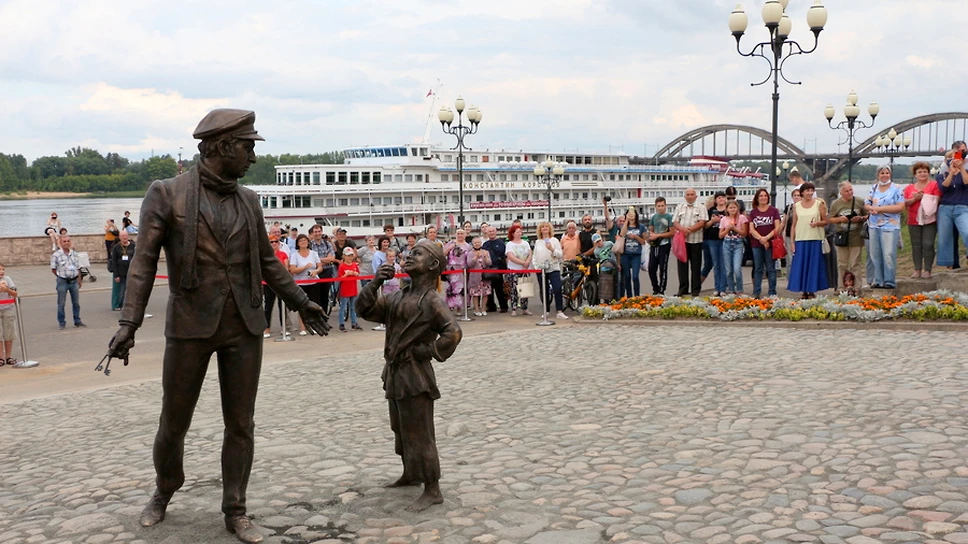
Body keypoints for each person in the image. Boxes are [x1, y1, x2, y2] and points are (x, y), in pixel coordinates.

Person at [105, 109, 328, 544]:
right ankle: (164, 489)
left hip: (243, 325)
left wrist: (302, 302)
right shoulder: (166, 194)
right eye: (248, 146)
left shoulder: (249, 200)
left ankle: (236, 509)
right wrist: (129, 322)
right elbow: (143, 264)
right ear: (224, 146)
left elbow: (267, 261)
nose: (253, 156)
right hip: (190, 325)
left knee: (241, 423)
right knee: (174, 421)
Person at [356, 240, 462, 512]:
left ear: (434, 265)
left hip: (415, 376)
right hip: (395, 373)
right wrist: (374, 284)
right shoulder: (399, 297)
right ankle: (410, 473)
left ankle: (432, 488)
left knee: (420, 433)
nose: (409, 256)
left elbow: (453, 332)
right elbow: (365, 310)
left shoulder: (432, 302)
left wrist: (427, 350)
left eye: (418, 254)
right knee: (400, 429)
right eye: (409, 253)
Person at [864, 165, 905, 289]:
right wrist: (870, 208)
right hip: (874, 225)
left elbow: (900, 206)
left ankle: (889, 281)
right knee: (875, 253)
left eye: (887, 173)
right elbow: (867, 203)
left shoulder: (897, 189)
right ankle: (878, 280)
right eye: (882, 173)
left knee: (888, 254)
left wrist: (880, 209)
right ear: (878, 175)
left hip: (890, 226)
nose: (885, 175)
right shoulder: (874, 187)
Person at [787, 182, 829, 299]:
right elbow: (794, 224)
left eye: (811, 190)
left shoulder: (819, 204)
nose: (810, 193)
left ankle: (812, 290)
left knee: (813, 265)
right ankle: (803, 290)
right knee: (801, 265)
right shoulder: (797, 206)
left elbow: (826, 221)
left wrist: (817, 223)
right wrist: (792, 241)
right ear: (802, 193)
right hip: (801, 238)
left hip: (815, 238)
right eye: (807, 191)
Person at [904, 162, 941, 279]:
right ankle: (917, 269)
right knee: (916, 245)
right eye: (920, 172)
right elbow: (905, 203)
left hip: (929, 219)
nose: (923, 174)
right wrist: (915, 198)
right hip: (913, 220)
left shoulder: (934, 185)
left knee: (928, 244)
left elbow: (938, 200)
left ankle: (928, 270)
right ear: (915, 174)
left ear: (928, 173)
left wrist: (924, 197)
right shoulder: (909, 188)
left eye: (925, 171)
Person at [828, 181, 869, 289]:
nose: (850, 192)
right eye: (847, 191)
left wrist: (860, 218)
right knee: (842, 263)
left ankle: (857, 287)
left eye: (851, 190)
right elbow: (830, 219)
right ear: (841, 193)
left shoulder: (859, 201)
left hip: (856, 237)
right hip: (842, 237)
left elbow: (867, 215)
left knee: (855, 263)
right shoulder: (836, 204)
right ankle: (841, 287)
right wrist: (840, 219)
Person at [936, 140, 968, 269]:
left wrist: (960, 169)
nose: (962, 153)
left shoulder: (965, 169)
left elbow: (967, 183)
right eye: (959, 151)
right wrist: (951, 171)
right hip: (945, 208)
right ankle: (949, 264)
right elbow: (943, 188)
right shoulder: (943, 171)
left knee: (966, 232)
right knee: (945, 238)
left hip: (962, 206)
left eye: (964, 150)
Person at [672, 188, 709, 297]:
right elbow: (675, 221)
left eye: (692, 194)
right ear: (685, 196)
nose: (690, 196)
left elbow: (702, 222)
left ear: (696, 196)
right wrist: (683, 229)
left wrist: (690, 230)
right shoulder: (680, 207)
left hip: (696, 240)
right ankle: (682, 289)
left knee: (695, 266)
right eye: (687, 194)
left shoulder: (701, 207)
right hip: (682, 241)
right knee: (682, 266)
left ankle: (695, 290)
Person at [747, 189, 781, 298]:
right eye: (761, 196)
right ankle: (756, 291)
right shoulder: (753, 212)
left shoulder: (774, 211)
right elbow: (751, 229)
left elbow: (777, 228)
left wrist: (766, 238)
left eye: (765, 196)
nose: (763, 198)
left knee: (771, 268)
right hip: (756, 244)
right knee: (758, 268)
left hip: (771, 244)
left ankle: (772, 292)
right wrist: (761, 239)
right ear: (757, 198)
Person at [289, 234, 323, 336]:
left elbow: (320, 267)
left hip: (313, 282)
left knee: (314, 304)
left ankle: (315, 326)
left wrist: (316, 271)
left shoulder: (313, 253)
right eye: (301, 241)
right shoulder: (294, 255)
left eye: (305, 240)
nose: (303, 242)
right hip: (300, 283)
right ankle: (303, 327)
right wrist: (304, 267)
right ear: (297, 243)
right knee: (302, 306)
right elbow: (293, 269)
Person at [533, 222, 567, 319]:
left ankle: (559, 310)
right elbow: (535, 255)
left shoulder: (554, 240)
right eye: (542, 227)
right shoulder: (537, 242)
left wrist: (552, 249)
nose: (544, 228)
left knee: (557, 288)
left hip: (553, 267)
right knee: (544, 290)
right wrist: (536, 266)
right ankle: (546, 310)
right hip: (541, 268)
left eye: (546, 227)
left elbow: (560, 254)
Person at [51, 235, 85, 329]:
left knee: (76, 303)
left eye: (68, 241)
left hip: (74, 281)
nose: (66, 243)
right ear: (61, 243)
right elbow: (53, 269)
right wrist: (60, 276)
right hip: (62, 281)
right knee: (61, 303)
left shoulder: (74, 254)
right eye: (64, 241)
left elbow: (78, 268)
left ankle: (77, 321)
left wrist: (79, 280)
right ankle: (62, 323)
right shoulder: (56, 255)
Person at [719, 200, 749, 295]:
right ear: (727, 209)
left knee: (737, 269)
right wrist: (728, 228)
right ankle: (731, 290)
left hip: (738, 243)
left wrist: (735, 228)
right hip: (727, 243)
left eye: (734, 207)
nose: (732, 209)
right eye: (730, 208)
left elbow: (744, 233)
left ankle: (739, 289)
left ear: (737, 208)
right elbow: (720, 235)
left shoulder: (742, 218)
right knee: (728, 270)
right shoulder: (724, 219)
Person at [262, 235, 290, 338]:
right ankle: (266, 329)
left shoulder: (283, 254)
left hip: (280, 283)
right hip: (268, 283)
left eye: (275, 242)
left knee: (282, 306)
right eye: (271, 242)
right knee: (268, 306)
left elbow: (286, 268)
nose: (274, 244)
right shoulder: (265, 256)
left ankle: (284, 328)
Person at [647, 197, 674, 296]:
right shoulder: (654, 217)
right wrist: (651, 237)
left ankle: (662, 290)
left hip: (665, 245)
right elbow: (651, 230)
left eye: (662, 206)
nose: (661, 208)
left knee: (663, 267)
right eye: (658, 206)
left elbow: (672, 232)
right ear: (655, 207)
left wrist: (658, 235)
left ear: (665, 206)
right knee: (651, 268)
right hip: (655, 245)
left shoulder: (669, 217)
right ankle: (655, 288)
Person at [702, 192, 727, 296]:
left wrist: (722, 221)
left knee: (723, 264)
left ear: (725, 199)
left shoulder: (728, 210)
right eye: (719, 198)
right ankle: (717, 287)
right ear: (715, 200)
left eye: (722, 197)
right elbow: (705, 226)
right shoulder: (710, 211)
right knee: (716, 264)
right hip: (712, 239)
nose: (721, 199)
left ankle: (723, 288)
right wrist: (712, 221)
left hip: (724, 239)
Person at [504, 225, 533, 316]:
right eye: (517, 232)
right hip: (514, 270)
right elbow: (511, 257)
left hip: (525, 270)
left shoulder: (525, 243)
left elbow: (530, 253)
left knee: (525, 288)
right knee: (514, 290)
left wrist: (527, 262)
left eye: (520, 231)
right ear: (513, 233)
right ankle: (514, 308)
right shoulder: (510, 244)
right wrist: (522, 263)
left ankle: (525, 308)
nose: (520, 233)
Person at [618, 207, 646, 298]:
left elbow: (644, 242)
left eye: (633, 213)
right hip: (625, 254)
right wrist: (626, 221)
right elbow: (622, 234)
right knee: (627, 276)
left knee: (635, 277)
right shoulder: (624, 226)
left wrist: (635, 237)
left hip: (636, 255)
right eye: (629, 214)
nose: (631, 215)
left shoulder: (641, 227)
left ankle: (637, 296)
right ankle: (629, 296)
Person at [443, 229, 472, 311]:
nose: (460, 235)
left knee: (460, 289)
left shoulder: (468, 246)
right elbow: (443, 253)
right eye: (458, 233)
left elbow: (469, 258)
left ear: (465, 235)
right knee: (450, 289)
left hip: (463, 269)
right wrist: (449, 248)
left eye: (462, 233)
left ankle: (459, 308)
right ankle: (450, 306)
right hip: (451, 269)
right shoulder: (451, 243)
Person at [309, 224, 336, 312]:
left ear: (322, 232)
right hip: (315, 272)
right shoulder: (310, 245)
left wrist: (318, 260)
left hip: (327, 271)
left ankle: (324, 318)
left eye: (319, 231)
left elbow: (331, 258)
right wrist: (324, 260)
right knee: (315, 297)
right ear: (313, 233)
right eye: (315, 232)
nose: (317, 233)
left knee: (325, 296)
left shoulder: (327, 244)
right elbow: (311, 260)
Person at [482, 226, 509, 314]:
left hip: (499, 269)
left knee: (500, 289)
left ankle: (503, 306)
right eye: (490, 231)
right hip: (488, 269)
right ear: (487, 233)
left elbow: (505, 256)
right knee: (489, 289)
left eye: (493, 231)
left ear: (496, 232)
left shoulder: (501, 243)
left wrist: (506, 269)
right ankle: (491, 306)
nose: (491, 233)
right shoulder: (485, 244)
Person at [337, 247, 363, 331]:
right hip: (345, 289)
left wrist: (355, 273)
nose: (350, 258)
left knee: (353, 307)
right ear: (344, 256)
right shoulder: (342, 266)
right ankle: (341, 324)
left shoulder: (355, 265)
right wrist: (346, 275)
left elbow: (358, 274)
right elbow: (339, 278)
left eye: (351, 255)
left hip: (353, 288)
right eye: (348, 256)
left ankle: (354, 323)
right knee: (343, 307)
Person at [110, 230, 136, 311]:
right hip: (121, 273)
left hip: (131, 273)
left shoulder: (133, 246)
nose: (124, 237)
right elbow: (114, 262)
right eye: (122, 236)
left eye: (125, 235)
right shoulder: (116, 248)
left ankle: (131, 305)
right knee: (122, 291)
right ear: (119, 237)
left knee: (132, 290)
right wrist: (116, 275)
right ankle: (121, 306)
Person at [468, 237, 492, 316]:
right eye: (475, 243)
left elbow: (489, 263)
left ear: (481, 243)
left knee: (485, 293)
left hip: (485, 276)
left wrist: (485, 257)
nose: (477, 244)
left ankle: (483, 308)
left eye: (478, 242)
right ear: (472, 244)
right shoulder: (470, 253)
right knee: (475, 294)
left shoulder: (486, 252)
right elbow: (469, 264)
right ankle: (476, 309)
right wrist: (475, 257)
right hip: (475, 277)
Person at [0, 264, 18, 366]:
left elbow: (15, 293)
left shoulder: (7, 279)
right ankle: (1, 358)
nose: (2, 271)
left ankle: (8, 356)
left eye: (3, 269)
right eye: (0, 270)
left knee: (8, 334)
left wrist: (6, 289)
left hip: (7, 309)